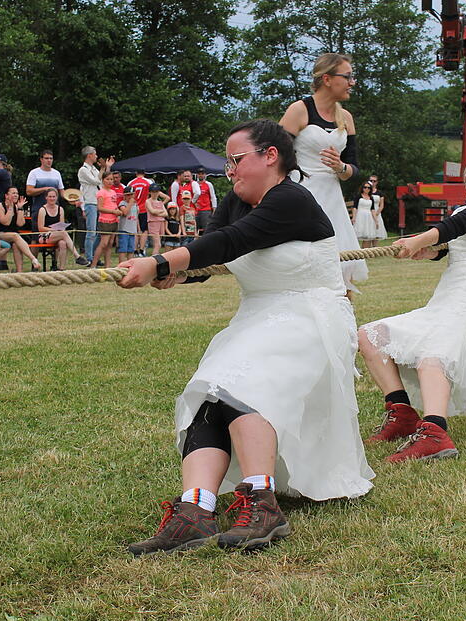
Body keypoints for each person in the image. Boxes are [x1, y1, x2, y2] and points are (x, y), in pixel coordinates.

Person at [119, 119, 373, 555]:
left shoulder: (292, 199)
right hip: (257, 315)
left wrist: (159, 262)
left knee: (242, 387)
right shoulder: (236, 202)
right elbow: (214, 246)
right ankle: (194, 512)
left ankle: (262, 504)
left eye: (236, 160)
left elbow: (237, 240)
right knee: (210, 393)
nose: (229, 171)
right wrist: (177, 275)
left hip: (310, 314)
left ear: (270, 156)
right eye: (228, 163)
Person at [359, 158, 466, 462]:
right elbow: (456, 238)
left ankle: (435, 433)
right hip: (449, 294)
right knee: (371, 336)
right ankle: (402, 415)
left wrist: (421, 238)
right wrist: (431, 251)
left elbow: (455, 227)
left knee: (435, 353)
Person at [279, 52, 366, 295]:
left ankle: (342, 326)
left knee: (341, 273)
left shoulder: (346, 118)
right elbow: (275, 158)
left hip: (333, 201)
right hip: (301, 196)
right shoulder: (299, 110)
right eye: (347, 76)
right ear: (327, 79)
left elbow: (353, 169)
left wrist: (341, 168)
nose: (352, 83)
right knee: (301, 269)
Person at [0, 186, 42, 272]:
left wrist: (20, 209)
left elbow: (20, 224)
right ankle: (33, 259)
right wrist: (10, 208)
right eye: (13, 193)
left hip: (13, 235)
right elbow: (5, 222)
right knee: (16, 236)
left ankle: (19, 271)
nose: (16, 195)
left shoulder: (17, 206)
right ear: (6, 196)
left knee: (16, 244)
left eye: (17, 193)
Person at [37, 188, 87, 268]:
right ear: (46, 197)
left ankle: (61, 268)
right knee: (63, 233)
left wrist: (59, 230)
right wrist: (54, 230)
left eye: (54, 196)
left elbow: (61, 225)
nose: (52, 198)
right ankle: (77, 256)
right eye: (50, 196)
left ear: (57, 197)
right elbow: (40, 228)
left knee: (63, 243)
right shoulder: (42, 210)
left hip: (58, 234)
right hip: (44, 235)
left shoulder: (60, 209)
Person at [25, 149, 66, 224]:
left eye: (51, 158)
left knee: (57, 233)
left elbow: (61, 192)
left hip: (55, 211)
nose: (49, 160)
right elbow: (29, 191)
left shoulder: (57, 173)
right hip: (38, 209)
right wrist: (45, 189)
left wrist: (70, 198)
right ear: (41, 159)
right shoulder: (34, 173)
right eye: (46, 158)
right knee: (38, 234)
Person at [92, 171, 122, 268]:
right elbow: (100, 208)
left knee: (109, 244)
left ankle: (107, 265)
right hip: (105, 220)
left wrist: (118, 211)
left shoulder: (113, 192)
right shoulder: (101, 192)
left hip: (114, 220)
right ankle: (93, 264)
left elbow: (113, 204)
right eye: (107, 179)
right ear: (103, 180)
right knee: (103, 243)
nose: (110, 181)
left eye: (111, 179)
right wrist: (113, 212)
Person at [351, 180, 379, 248]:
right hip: (360, 216)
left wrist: (376, 221)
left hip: (368, 217)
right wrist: (354, 217)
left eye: (369, 188)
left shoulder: (371, 198)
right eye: (365, 187)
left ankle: (365, 251)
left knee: (367, 235)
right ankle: (355, 250)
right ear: (362, 188)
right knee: (357, 234)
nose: (367, 189)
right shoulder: (358, 196)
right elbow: (355, 207)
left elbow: (372, 210)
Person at [116, 186, 140, 264]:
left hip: (132, 230)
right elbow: (125, 212)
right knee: (123, 249)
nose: (130, 197)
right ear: (124, 196)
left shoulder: (136, 205)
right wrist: (130, 203)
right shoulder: (122, 203)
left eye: (131, 195)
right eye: (128, 195)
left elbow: (136, 218)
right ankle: (121, 264)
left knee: (131, 249)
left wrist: (138, 229)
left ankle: (130, 264)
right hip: (124, 230)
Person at [146, 184, 169, 254]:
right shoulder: (148, 201)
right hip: (153, 223)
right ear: (150, 192)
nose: (155, 193)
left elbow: (166, 214)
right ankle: (154, 258)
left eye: (156, 192)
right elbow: (152, 211)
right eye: (153, 192)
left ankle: (156, 257)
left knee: (159, 244)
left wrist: (157, 213)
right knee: (157, 244)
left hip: (161, 222)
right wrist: (160, 211)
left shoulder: (160, 202)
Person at [194, 167, 217, 234]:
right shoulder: (194, 184)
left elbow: (213, 197)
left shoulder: (209, 184)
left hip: (206, 209)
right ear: (197, 175)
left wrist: (214, 209)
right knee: (193, 228)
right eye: (199, 174)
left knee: (207, 228)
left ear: (205, 175)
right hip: (195, 209)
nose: (201, 175)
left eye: (202, 174)